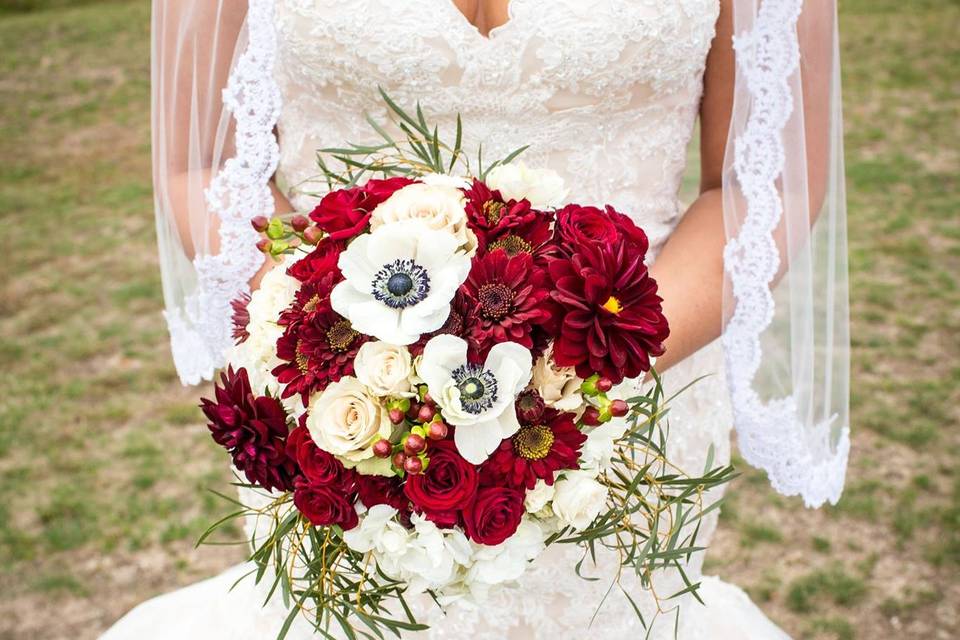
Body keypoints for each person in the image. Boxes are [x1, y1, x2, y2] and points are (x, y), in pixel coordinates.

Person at [103, 1, 850, 637]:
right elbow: (202, 162)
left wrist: (584, 368)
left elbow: (764, 178)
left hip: (634, 400)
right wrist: (331, 334)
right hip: (344, 411)